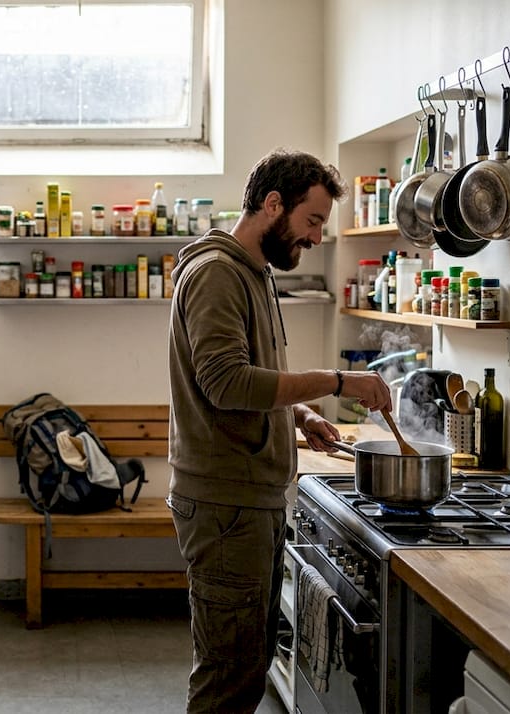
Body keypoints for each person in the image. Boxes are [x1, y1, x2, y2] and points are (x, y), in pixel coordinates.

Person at [166, 149, 392, 712]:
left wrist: (299, 415)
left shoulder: (252, 271)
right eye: (312, 220)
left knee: (248, 665)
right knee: (227, 681)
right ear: (273, 205)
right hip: (225, 505)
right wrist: (338, 382)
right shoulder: (217, 274)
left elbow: (249, 378)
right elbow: (225, 384)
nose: (317, 237)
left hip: (246, 500)